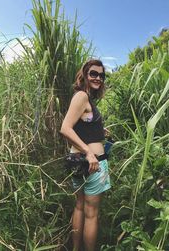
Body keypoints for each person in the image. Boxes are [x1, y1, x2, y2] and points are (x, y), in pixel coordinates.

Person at [60, 59, 111, 251]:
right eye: (94, 74)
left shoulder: (86, 99)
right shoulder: (81, 96)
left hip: (78, 163)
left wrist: (99, 130)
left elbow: (81, 125)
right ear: (85, 75)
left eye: (101, 75)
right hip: (92, 163)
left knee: (80, 206)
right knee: (91, 213)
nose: (98, 78)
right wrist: (90, 153)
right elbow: (65, 128)